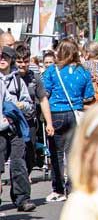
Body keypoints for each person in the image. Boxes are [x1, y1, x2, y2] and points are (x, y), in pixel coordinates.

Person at [43, 39, 95, 202]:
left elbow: (44, 93)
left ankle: (58, 189)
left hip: (56, 113)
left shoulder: (52, 71)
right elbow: (89, 96)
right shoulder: (84, 72)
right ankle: (72, 188)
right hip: (75, 113)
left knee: (56, 153)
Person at [0, 45, 36, 214]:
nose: (2, 60)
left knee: (18, 162)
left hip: (15, 127)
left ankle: (22, 199)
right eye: (0, 57)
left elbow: (29, 105)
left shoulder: (17, 81)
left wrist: (21, 106)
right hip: (1, 128)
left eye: (5, 57)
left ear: (11, 60)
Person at [15, 43, 54, 176]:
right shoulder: (10, 77)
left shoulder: (35, 77)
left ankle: (25, 175)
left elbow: (43, 100)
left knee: (31, 155)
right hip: (13, 121)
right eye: (19, 62)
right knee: (16, 154)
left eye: (26, 62)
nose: (23, 65)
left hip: (30, 120)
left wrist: (49, 123)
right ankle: (19, 180)